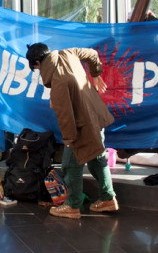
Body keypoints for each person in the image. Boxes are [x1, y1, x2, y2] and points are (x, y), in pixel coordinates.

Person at [25, 43, 118, 219]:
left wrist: (69, 140)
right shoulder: (68, 53)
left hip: (83, 126)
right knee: (98, 159)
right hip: (96, 115)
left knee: (70, 165)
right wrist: (96, 74)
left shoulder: (57, 82)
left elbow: (66, 117)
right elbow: (92, 54)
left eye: (35, 68)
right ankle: (108, 199)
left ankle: (73, 206)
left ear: (37, 63)